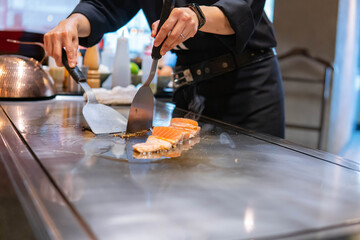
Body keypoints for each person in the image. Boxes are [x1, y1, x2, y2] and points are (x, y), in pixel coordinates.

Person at [44, 0, 285, 138]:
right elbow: (104, 6)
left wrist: (198, 16)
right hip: (188, 87)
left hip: (246, 85)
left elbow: (242, 7)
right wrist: (73, 22)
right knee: (180, 179)